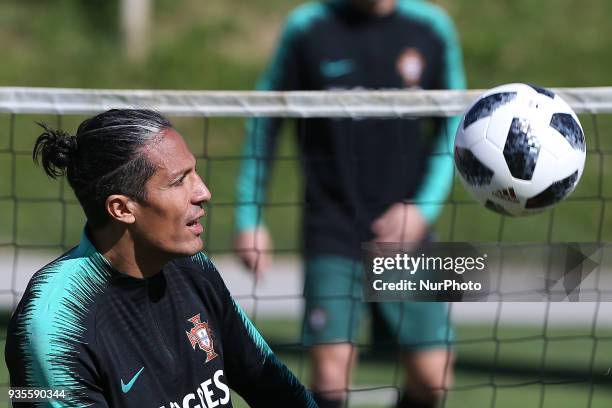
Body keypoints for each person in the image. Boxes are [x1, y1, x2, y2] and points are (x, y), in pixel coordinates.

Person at [234, 0, 466, 407]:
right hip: (332, 225)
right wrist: (249, 215)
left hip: (407, 230)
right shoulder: (308, 28)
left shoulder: (430, 28)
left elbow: (454, 127)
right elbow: (264, 120)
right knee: (330, 373)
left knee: (433, 378)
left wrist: (423, 209)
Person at [5, 109, 317, 408]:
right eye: (179, 180)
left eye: (194, 173)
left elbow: (275, 388)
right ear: (122, 209)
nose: (203, 192)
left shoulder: (194, 267)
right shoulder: (51, 326)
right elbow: (29, 396)